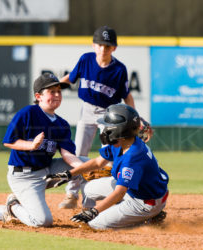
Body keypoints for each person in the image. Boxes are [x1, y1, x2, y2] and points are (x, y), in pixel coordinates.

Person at [45, 104, 169, 229]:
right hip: (138, 190)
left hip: (145, 201)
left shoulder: (132, 157)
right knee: (88, 189)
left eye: (108, 126)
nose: (105, 129)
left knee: (95, 223)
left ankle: (147, 221)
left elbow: (119, 193)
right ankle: (107, 214)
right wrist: (70, 173)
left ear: (120, 130)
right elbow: (98, 162)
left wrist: (94, 211)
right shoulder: (122, 142)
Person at [58, 25, 137, 209]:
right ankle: (71, 194)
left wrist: (135, 119)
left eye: (108, 46)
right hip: (87, 110)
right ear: (94, 45)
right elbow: (70, 78)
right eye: (100, 45)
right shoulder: (86, 60)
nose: (103, 49)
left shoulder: (119, 69)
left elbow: (127, 95)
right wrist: (50, 88)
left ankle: (101, 197)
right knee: (79, 154)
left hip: (109, 114)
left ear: (114, 48)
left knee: (109, 157)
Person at [1, 73, 86, 227]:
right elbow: (9, 141)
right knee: (43, 221)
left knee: (87, 164)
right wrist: (31, 145)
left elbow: (67, 154)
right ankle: (13, 206)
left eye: (59, 91)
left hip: (47, 171)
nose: (57, 95)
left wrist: (85, 168)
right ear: (38, 96)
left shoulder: (62, 124)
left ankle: (91, 209)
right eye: (51, 91)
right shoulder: (27, 113)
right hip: (24, 176)